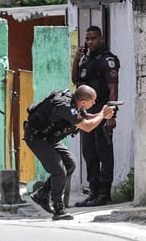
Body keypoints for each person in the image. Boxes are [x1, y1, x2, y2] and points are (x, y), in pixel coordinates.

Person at [24, 85, 115, 220]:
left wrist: (103, 114)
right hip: (37, 138)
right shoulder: (65, 107)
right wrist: (102, 114)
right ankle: (58, 208)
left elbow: (86, 117)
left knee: (70, 164)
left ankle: (42, 194)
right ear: (83, 102)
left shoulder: (72, 105)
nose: (94, 103)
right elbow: (87, 126)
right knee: (59, 171)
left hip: (49, 137)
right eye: (93, 101)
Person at [71, 26, 120, 207]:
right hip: (85, 114)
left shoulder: (108, 60)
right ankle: (93, 192)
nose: (90, 42)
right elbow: (75, 78)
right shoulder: (85, 59)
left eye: (94, 38)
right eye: (88, 38)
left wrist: (110, 116)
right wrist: (77, 58)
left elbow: (113, 89)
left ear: (101, 39)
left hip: (102, 111)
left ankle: (104, 194)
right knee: (89, 153)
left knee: (104, 154)